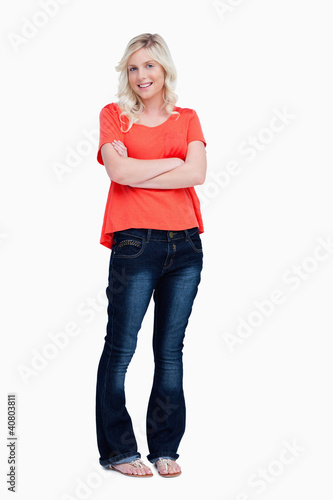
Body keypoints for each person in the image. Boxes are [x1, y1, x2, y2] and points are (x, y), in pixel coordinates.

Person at [95, 33, 207, 478]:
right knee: (121, 349)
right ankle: (119, 452)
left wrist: (143, 167)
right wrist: (170, 164)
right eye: (134, 68)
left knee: (170, 351)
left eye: (150, 66)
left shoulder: (188, 117)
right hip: (134, 243)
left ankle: (165, 448)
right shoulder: (114, 117)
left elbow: (196, 172)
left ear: (165, 71)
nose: (141, 76)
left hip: (185, 245)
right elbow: (118, 171)